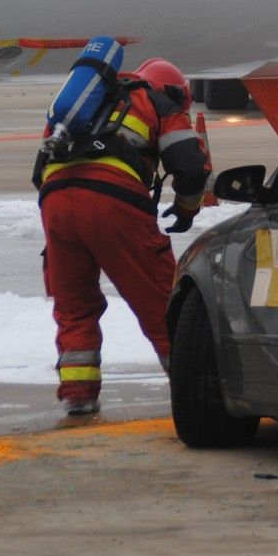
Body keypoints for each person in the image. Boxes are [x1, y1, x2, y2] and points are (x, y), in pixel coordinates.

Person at [31, 57, 211, 416]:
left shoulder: (82, 103)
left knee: (74, 304)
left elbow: (40, 170)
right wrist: (188, 209)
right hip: (112, 201)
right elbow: (191, 166)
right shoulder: (158, 103)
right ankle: (193, 384)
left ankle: (78, 394)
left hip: (55, 201)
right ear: (174, 92)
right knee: (161, 300)